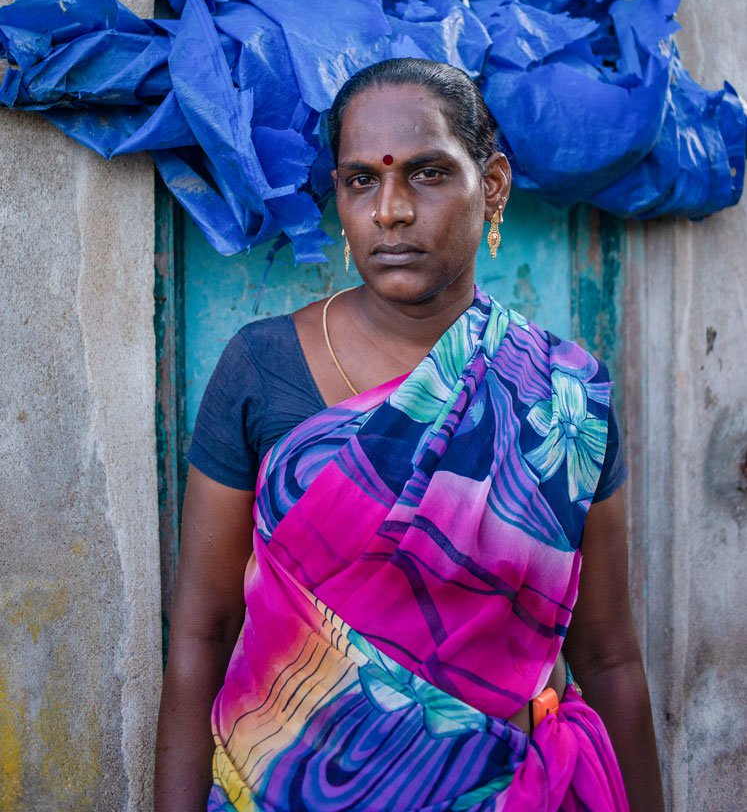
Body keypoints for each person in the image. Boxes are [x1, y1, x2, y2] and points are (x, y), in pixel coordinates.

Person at [155, 58, 665, 811]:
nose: (389, 211)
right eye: (360, 180)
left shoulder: (562, 397)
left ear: (490, 184)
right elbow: (202, 633)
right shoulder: (261, 367)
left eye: (426, 174)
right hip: (285, 790)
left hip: (504, 791)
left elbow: (608, 654)